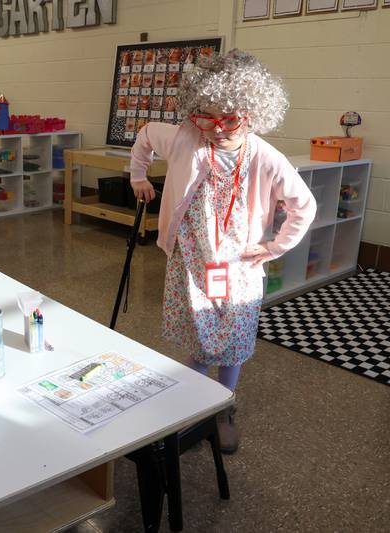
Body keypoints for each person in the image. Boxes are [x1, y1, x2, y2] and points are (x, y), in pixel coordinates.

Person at [130, 49, 317, 453]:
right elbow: (145, 134)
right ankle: (191, 405)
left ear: (251, 114)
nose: (216, 129)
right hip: (193, 261)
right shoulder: (184, 138)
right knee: (197, 334)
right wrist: (138, 177)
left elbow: (304, 205)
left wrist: (274, 246)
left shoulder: (266, 157)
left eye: (229, 120)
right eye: (205, 117)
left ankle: (222, 408)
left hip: (240, 266)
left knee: (234, 337)